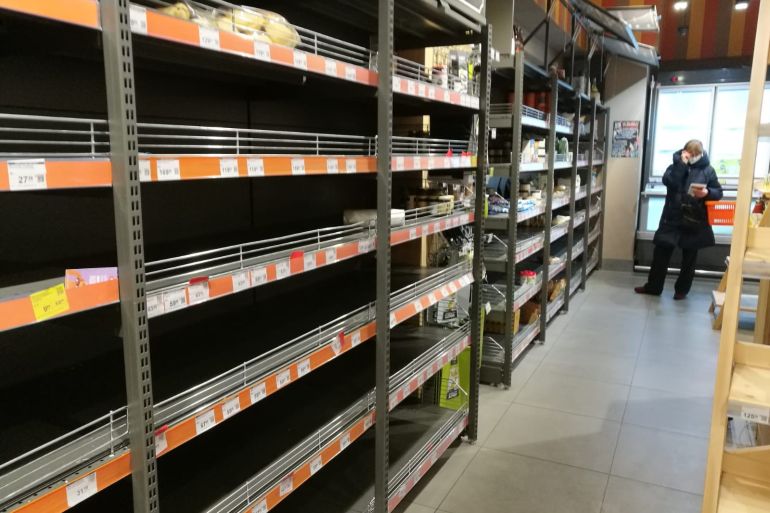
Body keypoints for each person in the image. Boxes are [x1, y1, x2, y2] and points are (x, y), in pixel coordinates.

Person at [635, 140, 723, 299]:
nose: (694, 157)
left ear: (701, 154)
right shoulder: (674, 166)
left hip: (693, 218)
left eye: (697, 155)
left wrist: (707, 192)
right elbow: (670, 182)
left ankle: (682, 290)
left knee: (689, 257)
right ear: (685, 152)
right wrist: (681, 164)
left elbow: (718, 193)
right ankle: (653, 287)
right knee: (660, 253)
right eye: (691, 154)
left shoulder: (708, 170)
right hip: (671, 217)